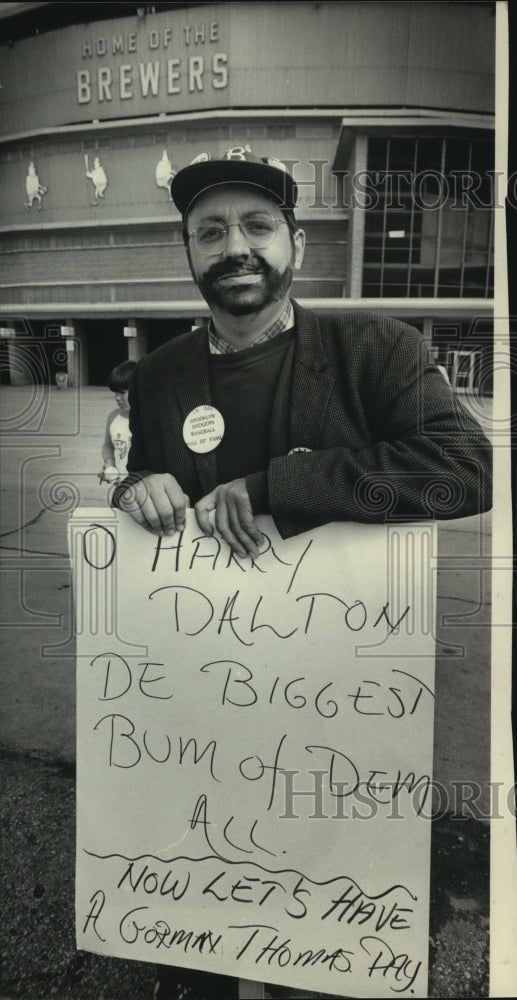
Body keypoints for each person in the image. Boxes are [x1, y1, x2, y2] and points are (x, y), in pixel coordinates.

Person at [112, 147, 492, 999]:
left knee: (325, 923)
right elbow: (138, 475)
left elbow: (466, 467)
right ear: (189, 253)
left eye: (255, 226)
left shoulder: (375, 349)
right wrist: (139, 487)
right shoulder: (161, 376)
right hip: (203, 705)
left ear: (297, 245)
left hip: (335, 701)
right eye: (209, 232)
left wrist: (282, 487)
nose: (233, 247)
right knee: (215, 901)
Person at [100, 360, 136, 484]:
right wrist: (109, 464)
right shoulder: (113, 417)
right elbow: (108, 446)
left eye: (122, 392)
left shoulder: (148, 419)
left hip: (142, 488)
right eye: (115, 392)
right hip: (119, 486)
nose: (117, 397)